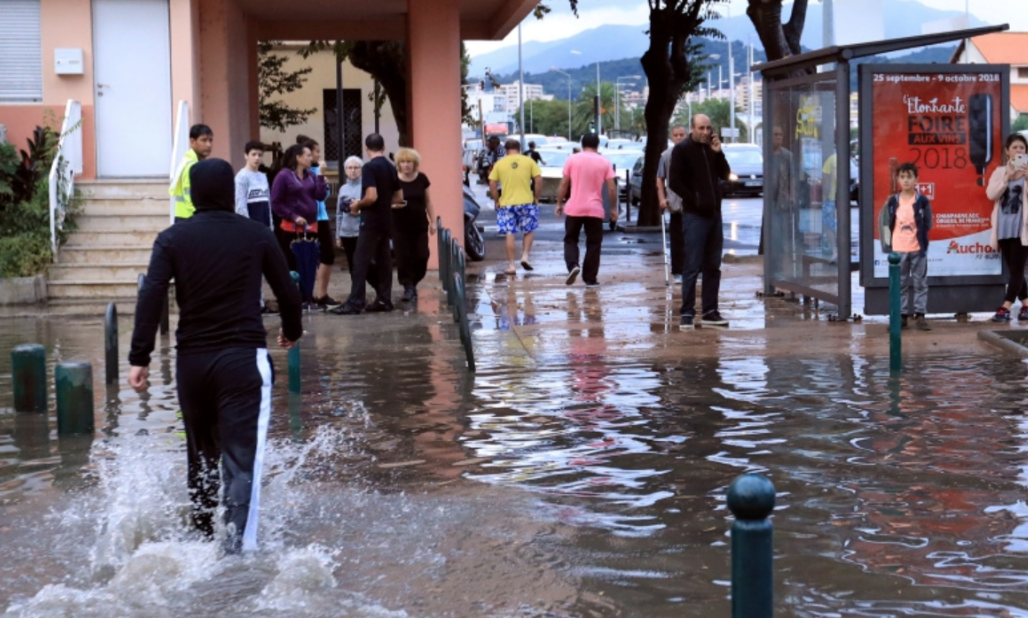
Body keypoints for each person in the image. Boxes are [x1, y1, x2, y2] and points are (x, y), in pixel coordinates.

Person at [128, 158, 303, 554]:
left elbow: (151, 295)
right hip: (243, 361)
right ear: (230, 192)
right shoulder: (256, 234)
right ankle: (238, 555)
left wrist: (139, 357)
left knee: (201, 456)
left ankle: (201, 543)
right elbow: (289, 293)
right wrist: (292, 331)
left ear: (193, 193)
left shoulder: (172, 238)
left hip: (191, 365)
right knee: (242, 461)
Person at [668, 114, 731, 329]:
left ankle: (710, 311)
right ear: (692, 128)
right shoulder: (682, 150)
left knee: (713, 265)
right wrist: (694, 198)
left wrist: (718, 152)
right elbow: (674, 181)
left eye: (708, 128)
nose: (705, 132)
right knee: (692, 266)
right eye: (701, 128)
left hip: (714, 214)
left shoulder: (711, 149)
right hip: (695, 216)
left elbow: (725, 173)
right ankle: (687, 312)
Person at [332, 133, 403, 315]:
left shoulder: (370, 167)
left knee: (360, 261)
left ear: (366, 148)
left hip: (370, 221)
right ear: (384, 147)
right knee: (384, 260)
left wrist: (358, 205)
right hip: (386, 220)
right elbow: (399, 197)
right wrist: (384, 205)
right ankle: (384, 299)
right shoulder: (390, 166)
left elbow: (371, 196)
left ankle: (356, 301)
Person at [555, 134, 616, 287]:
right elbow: (612, 188)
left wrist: (559, 203)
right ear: (598, 145)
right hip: (595, 209)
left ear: (582, 144)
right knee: (594, 243)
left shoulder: (572, 159)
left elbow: (563, 184)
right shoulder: (604, 162)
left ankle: (573, 265)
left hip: (574, 207)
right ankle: (590, 278)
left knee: (570, 239)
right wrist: (613, 208)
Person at [269, 143, 328, 287]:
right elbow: (276, 202)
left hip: (311, 226)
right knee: (292, 263)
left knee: (309, 262)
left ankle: (307, 296)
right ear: (298, 158)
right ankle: (294, 296)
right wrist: (293, 216)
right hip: (291, 227)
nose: (311, 158)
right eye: (307, 155)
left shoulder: (311, 175)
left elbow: (320, 196)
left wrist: (321, 176)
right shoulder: (283, 176)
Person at [884, 162, 933, 331]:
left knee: (920, 283)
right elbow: (887, 223)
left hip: (917, 249)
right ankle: (902, 316)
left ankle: (920, 316)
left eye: (909, 177)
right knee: (900, 283)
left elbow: (928, 222)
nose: (905, 181)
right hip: (898, 250)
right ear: (898, 179)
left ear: (916, 179)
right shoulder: (893, 201)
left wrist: (921, 241)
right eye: (902, 177)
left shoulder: (922, 201)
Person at [987, 133, 1028, 322]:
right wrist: (1007, 178)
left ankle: (1005, 307)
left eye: (1022, 148)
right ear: (1007, 151)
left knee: (1018, 269)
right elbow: (991, 194)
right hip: (1004, 228)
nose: (1018, 151)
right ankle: (1026, 305)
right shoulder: (1000, 171)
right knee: (1014, 270)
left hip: (1022, 229)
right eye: (1015, 148)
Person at [296, 136, 340, 309]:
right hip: (309, 219)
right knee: (308, 256)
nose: (318, 155)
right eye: (316, 152)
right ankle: (306, 295)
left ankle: (321, 294)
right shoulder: (304, 173)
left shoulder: (316, 172)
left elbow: (323, 196)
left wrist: (324, 183)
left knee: (328, 255)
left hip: (322, 217)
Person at [489, 138, 542, 275]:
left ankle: (511, 265)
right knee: (529, 230)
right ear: (519, 149)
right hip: (526, 202)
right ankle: (524, 256)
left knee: (509, 233)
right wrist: (536, 197)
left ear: (506, 150)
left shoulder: (500, 164)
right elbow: (538, 179)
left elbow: (492, 183)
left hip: (506, 204)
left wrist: (497, 200)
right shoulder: (528, 161)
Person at [394, 147, 437, 303]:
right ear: (399, 164)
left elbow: (428, 202)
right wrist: (393, 206)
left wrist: (433, 222)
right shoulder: (394, 179)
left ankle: (414, 281)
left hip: (419, 225)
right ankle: (408, 286)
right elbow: (387, 201)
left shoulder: (422, 178)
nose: (406, 165)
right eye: (403, 162)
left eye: (409, 162)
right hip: (399, 225)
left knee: (422, 256)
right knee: (402, 257)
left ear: (415, 164)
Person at [336, 155, 378, 291]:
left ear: (361, 170)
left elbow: (373, 208)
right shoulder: (343, 189)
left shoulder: (367, 188)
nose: (353, 170)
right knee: (352, 265)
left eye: (356, 167)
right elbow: (339, 213)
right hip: (346, 232)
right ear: (345, 170)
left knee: (366, 264)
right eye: (349, 168)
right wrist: (338, 235)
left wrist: (359, 212)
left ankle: (379, 288)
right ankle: (357, 293)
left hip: (362, 231)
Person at [657, 125, 688, 281]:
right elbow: (660, 179)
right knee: (677, 239)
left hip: (693, 204)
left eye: (681, 134)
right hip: (675, 204)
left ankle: (696, 269)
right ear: (671, 137)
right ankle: (678, 271)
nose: (679, 137)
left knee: (695, 238)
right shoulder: (666, 155)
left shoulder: (695, 153)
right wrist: (662, 198)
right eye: (676, 135)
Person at [170, 124, 214, 222]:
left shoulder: (193, 162)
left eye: (210, 140)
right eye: (204, 140)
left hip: (188, 218)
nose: (208, 144)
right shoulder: (192, 165)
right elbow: (190, 196)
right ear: (192, 142)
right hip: (189, 219)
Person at [234, 140, 271, 229]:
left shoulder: (263, 176)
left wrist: (271, 227)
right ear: (246, 155)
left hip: (265, 227)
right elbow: (240, 207)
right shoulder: (242, 177)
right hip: (251, 228)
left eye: (260, 155)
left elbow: (268, 204)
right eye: (253, 154)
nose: (257, 158)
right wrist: (248, 228)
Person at [821, 151, 840, 263]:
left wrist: (824, 197)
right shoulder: (845, 159)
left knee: (828, 225)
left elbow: (826, 182)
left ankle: (835, 250)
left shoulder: (831, 160)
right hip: (842, 199)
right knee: (839, 225)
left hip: (831, 199)